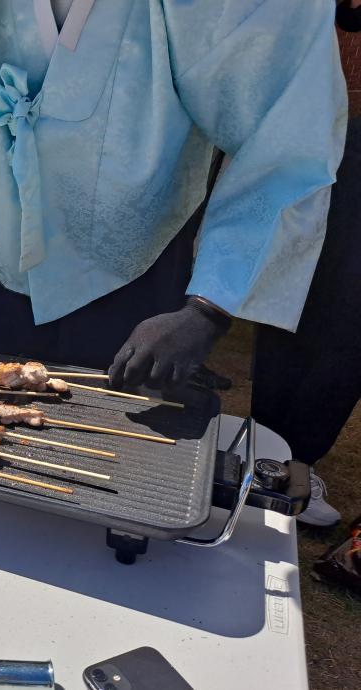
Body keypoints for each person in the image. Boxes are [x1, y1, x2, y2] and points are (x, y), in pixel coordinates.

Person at [0, 0, 347, 397]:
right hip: (6, 254)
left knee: (119, 458)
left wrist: (210, 305)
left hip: (137, 266)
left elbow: (284, 138)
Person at [251, 0, 361, 527]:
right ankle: (265, 454)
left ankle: (295, 461)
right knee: (293, 289)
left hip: (338, 130)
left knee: (349, 320)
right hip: (313, 126)